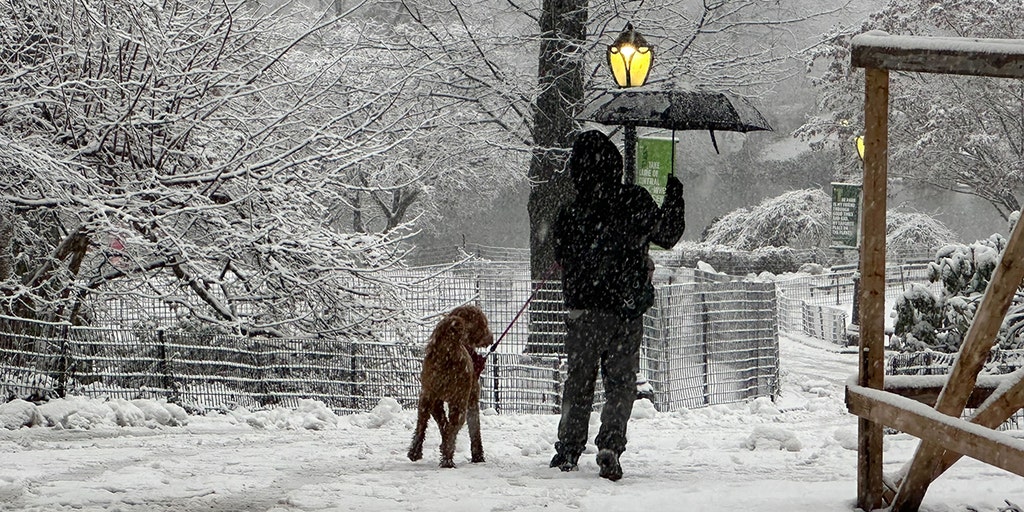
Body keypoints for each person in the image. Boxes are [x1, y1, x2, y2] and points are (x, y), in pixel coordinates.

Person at [548, 129, 685, 481]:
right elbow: (667, 235)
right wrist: (673, 196)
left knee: (579, 380)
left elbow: (560, 255)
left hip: (582, 310)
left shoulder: (571, 211)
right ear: (615, 164)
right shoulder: (635, 200)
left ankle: (568, 449)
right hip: (625, 309)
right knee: (621, 383)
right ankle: (610, 443)